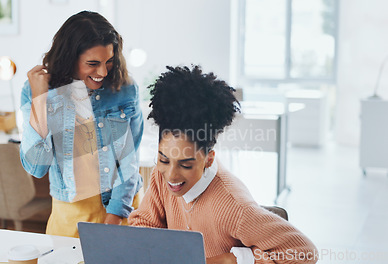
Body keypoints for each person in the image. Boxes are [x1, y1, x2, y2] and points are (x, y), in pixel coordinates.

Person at [129, 65, 317, 264]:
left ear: (208, 159)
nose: (171, 175)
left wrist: (231, 260)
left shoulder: (233, 206)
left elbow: (304, 252)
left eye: (185, 165)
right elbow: (143, 222)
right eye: (163, 159)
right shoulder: (161, 176)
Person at [20, 11, 143, 238]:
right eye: (93, 64)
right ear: (69, 57)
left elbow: (129, 160)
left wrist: (115, 216)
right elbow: (36, 167)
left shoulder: (125, 89)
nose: (103, 72)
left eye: (109, 62)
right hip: (70, 218)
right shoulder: (38, 91)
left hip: (121, 209)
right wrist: (39, 99)